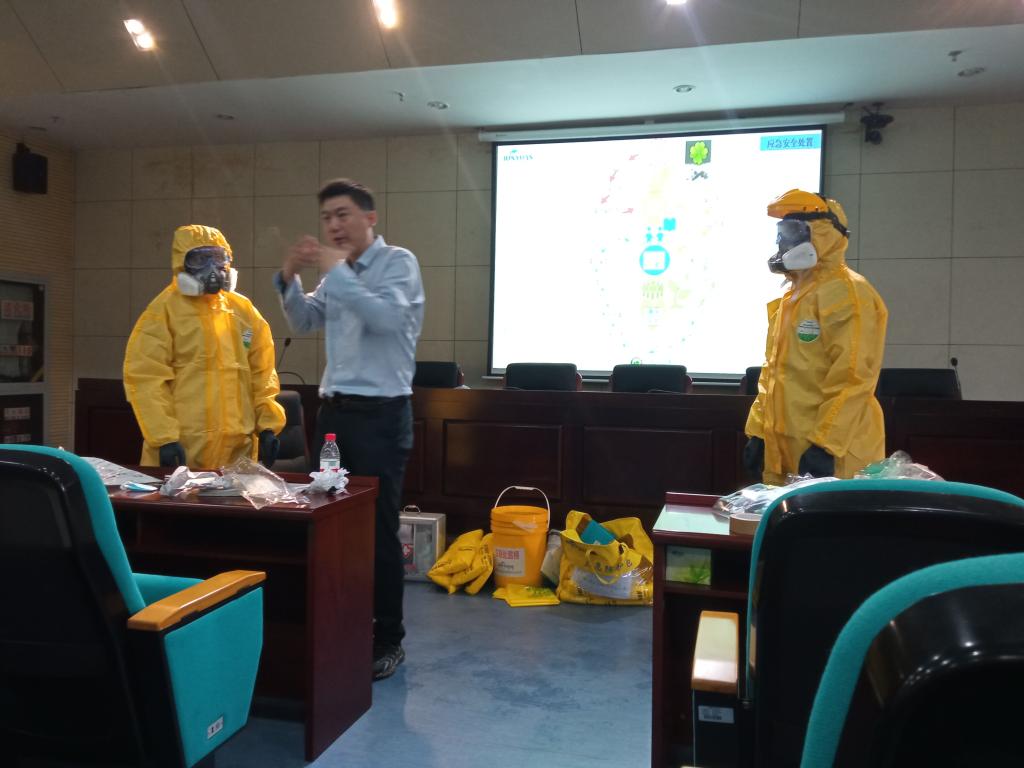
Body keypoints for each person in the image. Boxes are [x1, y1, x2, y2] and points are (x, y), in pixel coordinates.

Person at [275, 179, 425, 681]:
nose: (334, 226)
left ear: (370, 218)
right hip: (334, 416)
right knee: (331, 520)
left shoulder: (398, 263)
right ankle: (341, 624)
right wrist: (289, 278)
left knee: (377, 530)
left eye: (342, 214)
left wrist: (336, 271)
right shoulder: (338, 274)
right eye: (326, 218)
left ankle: (388, 638)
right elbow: (304, 320)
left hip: (382, 417)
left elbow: (384, 319)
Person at [744, 189, 888, 485]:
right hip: (788, 448)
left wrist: (826, 444)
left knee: (832, 516)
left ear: (822, 234)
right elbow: (774, 374)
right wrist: (758, 431)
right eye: (781, 232)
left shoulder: (848, 293)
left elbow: (852, 377)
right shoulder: (793, 298)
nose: (782, 241)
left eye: (793, 232)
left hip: (837, 454)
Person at [124, 224, 285, 469]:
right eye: (200, 259)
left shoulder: (243, 311)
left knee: (233, 495)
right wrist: (164, 438)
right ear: (182, 264)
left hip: (237, 451)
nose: (212, 268)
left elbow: (262, 374)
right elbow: (146, 379)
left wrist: (268, 426)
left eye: (219, 259)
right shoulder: (163, 311)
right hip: (183, 450)